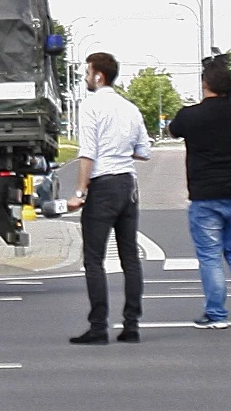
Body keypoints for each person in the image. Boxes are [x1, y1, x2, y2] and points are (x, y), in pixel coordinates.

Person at [168, 59, 231, 329]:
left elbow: (172, 130)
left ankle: (217, 314)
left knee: (210, 255)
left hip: (204, 195)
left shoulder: (190, 115)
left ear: (205, 84)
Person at [67, 52, 151, 345]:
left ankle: (99, 326)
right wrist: (119, 151)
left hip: (103, 186)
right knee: (130, 258)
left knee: (94, 258)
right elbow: (144, 150)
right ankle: (131, 325)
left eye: (88, 72)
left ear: (98, 75)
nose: (86, 78)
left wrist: (79, 192)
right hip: (128, 185)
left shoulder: (91, 106)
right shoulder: (130, 108)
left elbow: (87, 152)